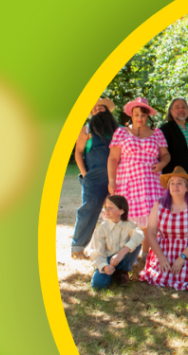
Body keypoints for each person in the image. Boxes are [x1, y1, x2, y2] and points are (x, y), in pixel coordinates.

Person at [108, 97, 170, 264]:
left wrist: (161, 163)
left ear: (148, 115)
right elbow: (113, 158)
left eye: (143, 114)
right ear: (131, 115)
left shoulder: (157, 133)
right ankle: (129, 253)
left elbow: (165, 154)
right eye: (136, 114)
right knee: (129, 217)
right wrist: (111, 180)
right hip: (128, 178)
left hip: (151, 180)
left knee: (150, 219)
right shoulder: (121, 132)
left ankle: (145, 251)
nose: (140, 118)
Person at [139, 166, 188, 290]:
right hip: (164, 250)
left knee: (184, 278)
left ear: (187, 188)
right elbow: (151, 233)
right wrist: (160, 256)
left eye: (179, 183)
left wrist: (182, 258)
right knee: (159, 277)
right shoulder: (159, 205)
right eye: (172, 183)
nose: (175, 186)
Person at [71, 98, 117, 259]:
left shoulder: (117, 131)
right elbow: (78, 152)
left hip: (116, 176)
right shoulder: (86, 130)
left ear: (107, 111)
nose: (97, 110)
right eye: (94, 109)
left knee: (116, 212)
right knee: (88, 209)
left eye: (101, 108)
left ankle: (114, 248)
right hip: (94, 177)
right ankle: (77, 247)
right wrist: (85, 174)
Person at [89, 195, 144, 289]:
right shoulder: (102, 228)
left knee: (136, 242)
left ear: (121, 211)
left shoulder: (130, 225)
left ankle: (123, 271)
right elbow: (97, 252)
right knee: (98, 284)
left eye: (111, 207)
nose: (107, 210)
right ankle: (112, 274)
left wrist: (121, 253)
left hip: (123, 259)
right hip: (107, 260)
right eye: (106, 208)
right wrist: (104, 266)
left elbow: (140, 235)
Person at [160, 97, 188, 187]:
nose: (181, 109)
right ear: (171, 111)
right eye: (177, 107)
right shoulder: (165, 129)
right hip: (174, 182)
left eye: (183, 107)